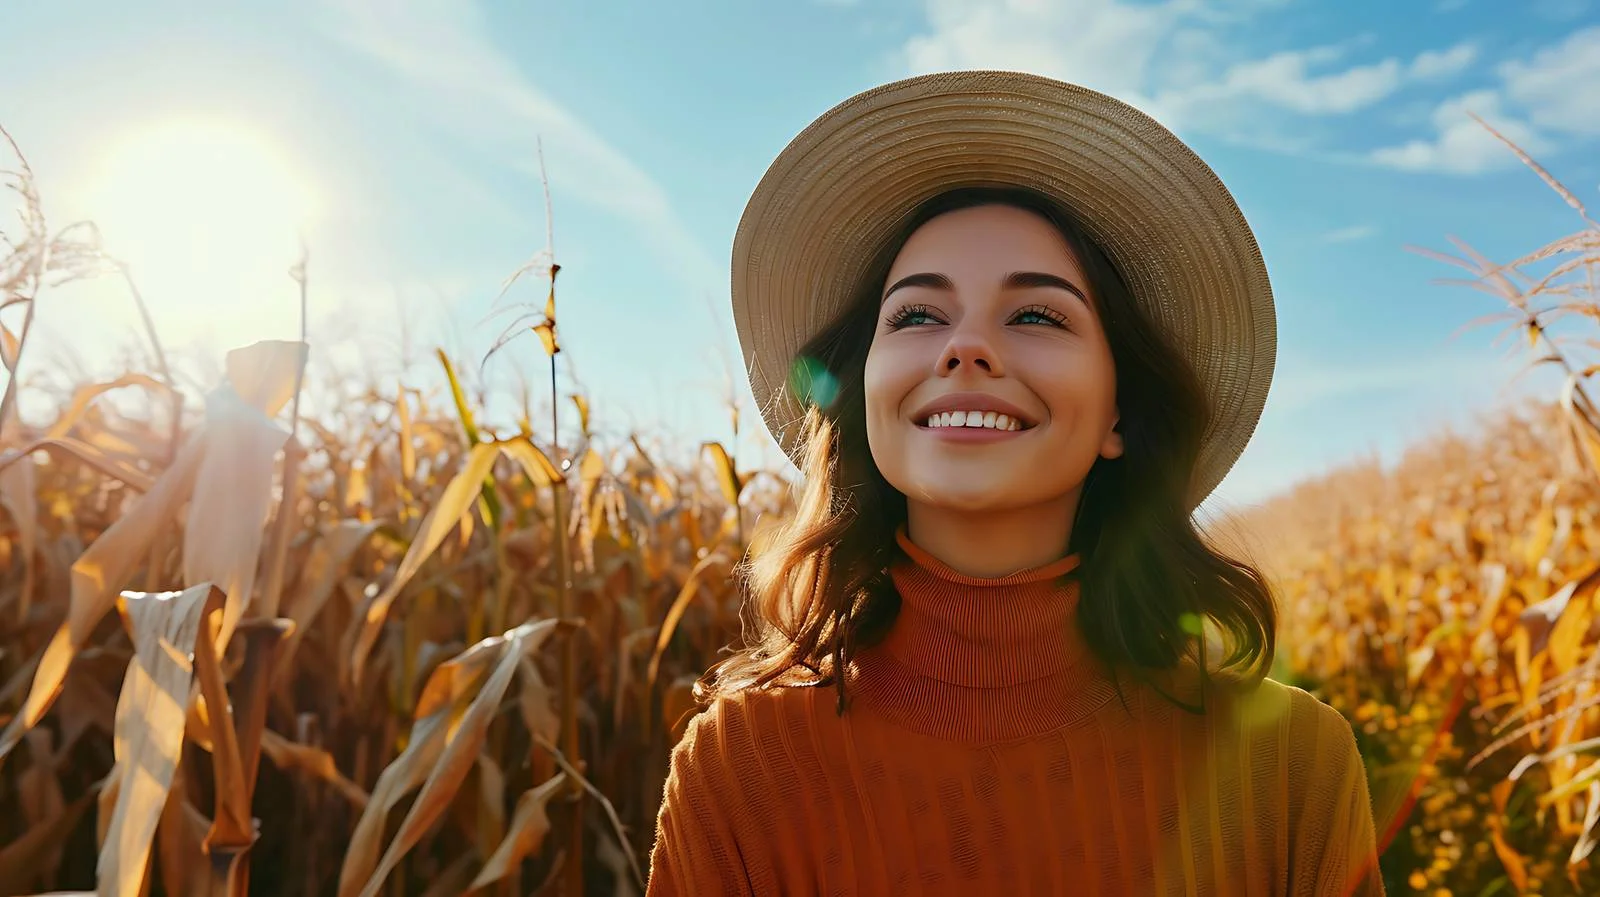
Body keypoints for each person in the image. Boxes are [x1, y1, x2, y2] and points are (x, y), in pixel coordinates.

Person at [646, 70, 1385, 896]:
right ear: (863, 394)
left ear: (1118, 414)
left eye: (1037, 315)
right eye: (918, 315)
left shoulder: (1292, 769)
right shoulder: (741, 767)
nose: (965, 348)